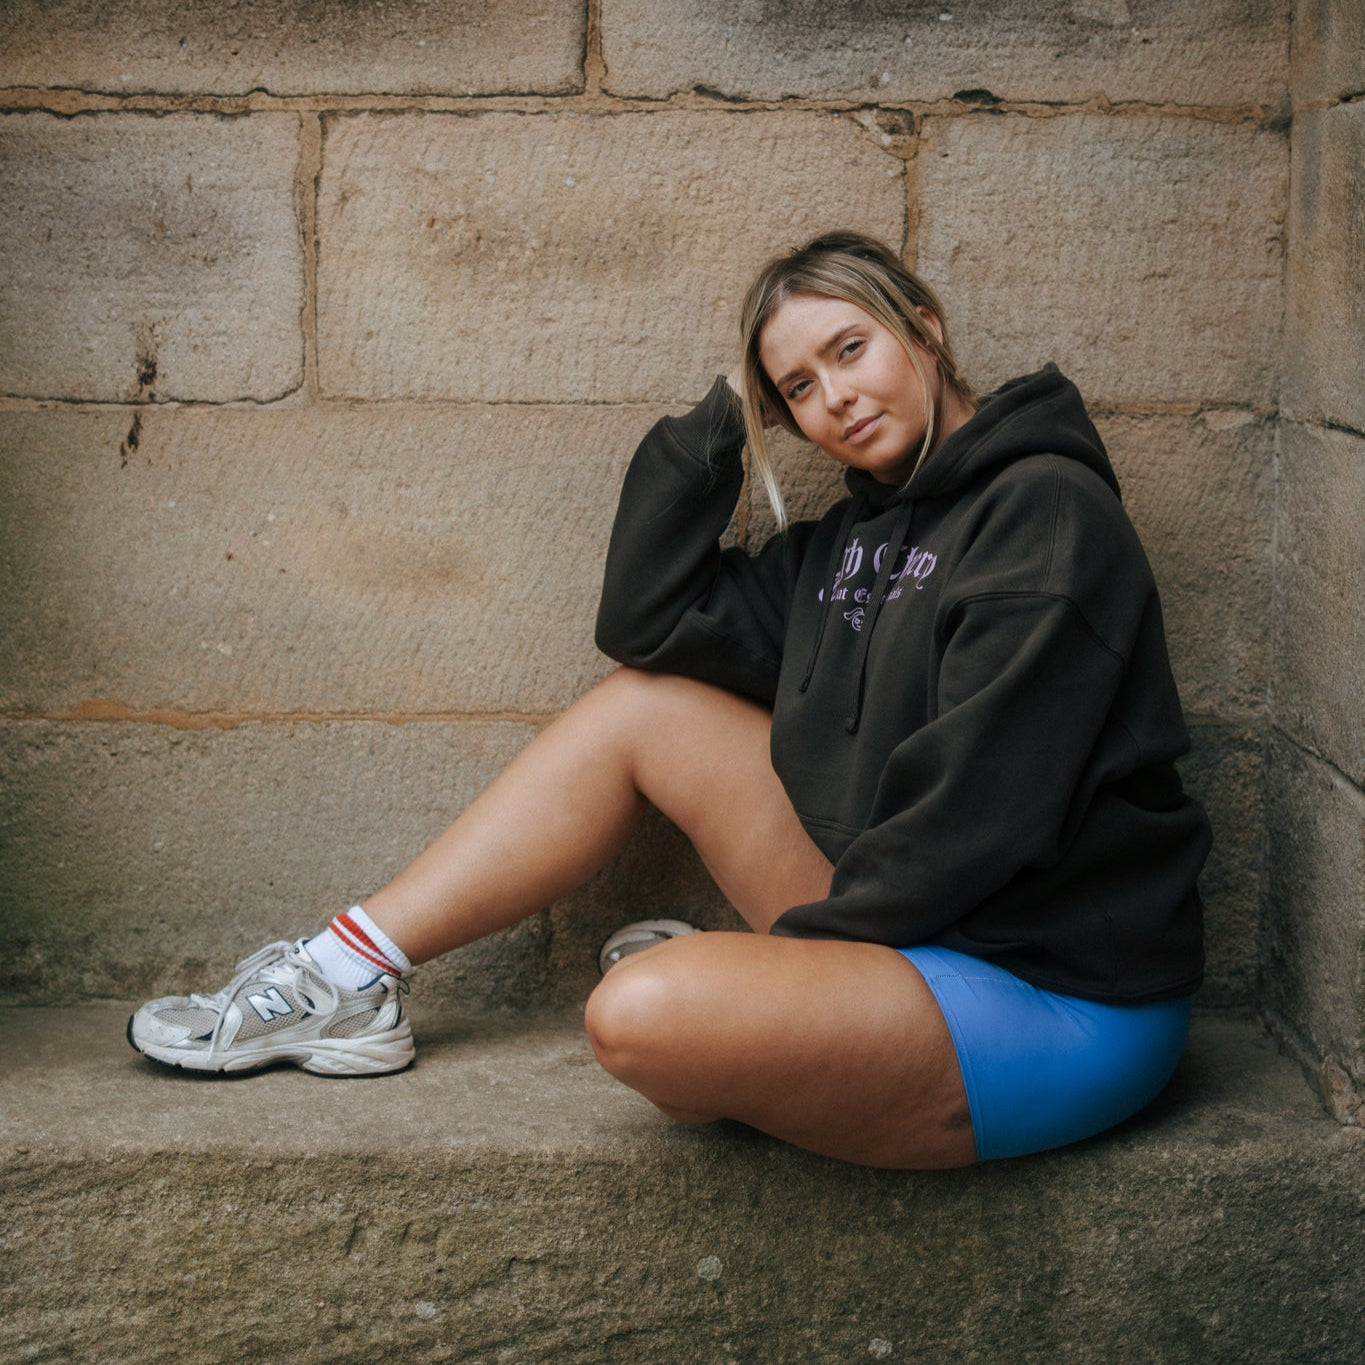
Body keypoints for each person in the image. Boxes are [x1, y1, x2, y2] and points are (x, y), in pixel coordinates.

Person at [128, 232, 1210, 1170]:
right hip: (915, 930)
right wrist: (724, 421)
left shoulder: (1045, 517)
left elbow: (978, 816)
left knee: (641, 1019)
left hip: (1054, 992)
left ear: (923, 329)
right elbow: (650, 620)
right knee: (645, 706)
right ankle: (342, 973)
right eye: (796, 388)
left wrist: (771, 969)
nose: (833, 398)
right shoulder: (852, 541)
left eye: (851, 349)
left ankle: (736, 1000)